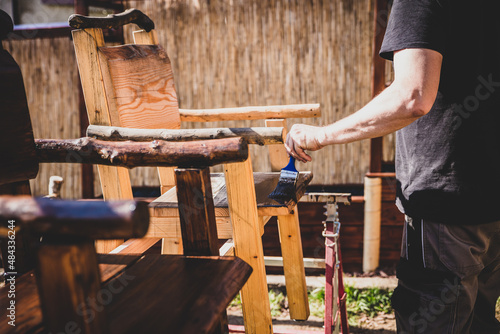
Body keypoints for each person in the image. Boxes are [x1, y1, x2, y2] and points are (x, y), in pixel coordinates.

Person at [285, 0, 500, 332]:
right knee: (479, 320)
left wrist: (322, 134)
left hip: (448, 207)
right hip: (491, 203)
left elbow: (412, 96)